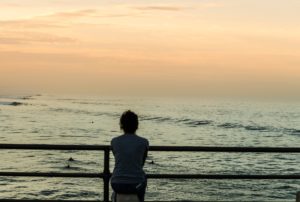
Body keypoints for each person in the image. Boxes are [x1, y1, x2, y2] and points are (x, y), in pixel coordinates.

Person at [111, 110, 149, 202]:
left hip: (117, 183)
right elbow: (141, 164)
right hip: (136, 185)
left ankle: (115, 198)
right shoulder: (144, 142)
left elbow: (118, 159)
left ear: (121, 125)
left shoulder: (114, 141)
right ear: (137, 125)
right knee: (143, 178)